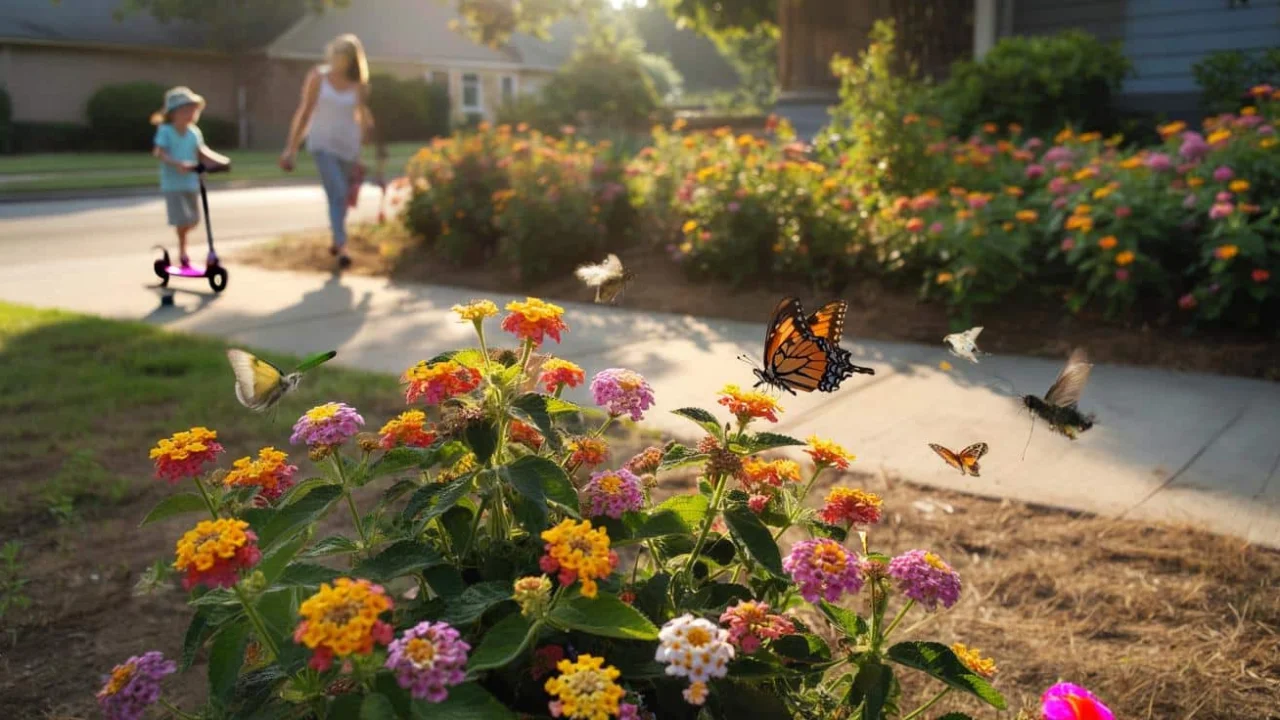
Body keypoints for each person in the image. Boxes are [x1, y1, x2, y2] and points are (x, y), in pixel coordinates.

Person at [279, 33, 385, 269]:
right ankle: (342, 244)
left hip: (349, 146)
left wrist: (371, 140)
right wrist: (291, 149)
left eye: (344, 56)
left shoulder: (358, 84)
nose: (338, 59)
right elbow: (305, 111)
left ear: (352, 60)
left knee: (340, 197)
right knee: (337, 191)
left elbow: (360, 114)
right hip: (322, 143)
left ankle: (337, 239)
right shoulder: (318, 77)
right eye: (336, 53)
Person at [151, 86, 230, 267]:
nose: (190, 113)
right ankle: (183, 252)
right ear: (173, 113)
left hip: (192, 182)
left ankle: (184, 243)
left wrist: (220, 162)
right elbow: (159, 153)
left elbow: (202, 151)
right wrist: (178, 163)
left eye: (193, 109)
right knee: (181, 219)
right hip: (173, 184)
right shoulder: (166, 131)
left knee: (194, 220)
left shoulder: (194, 132)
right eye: (185, 110)